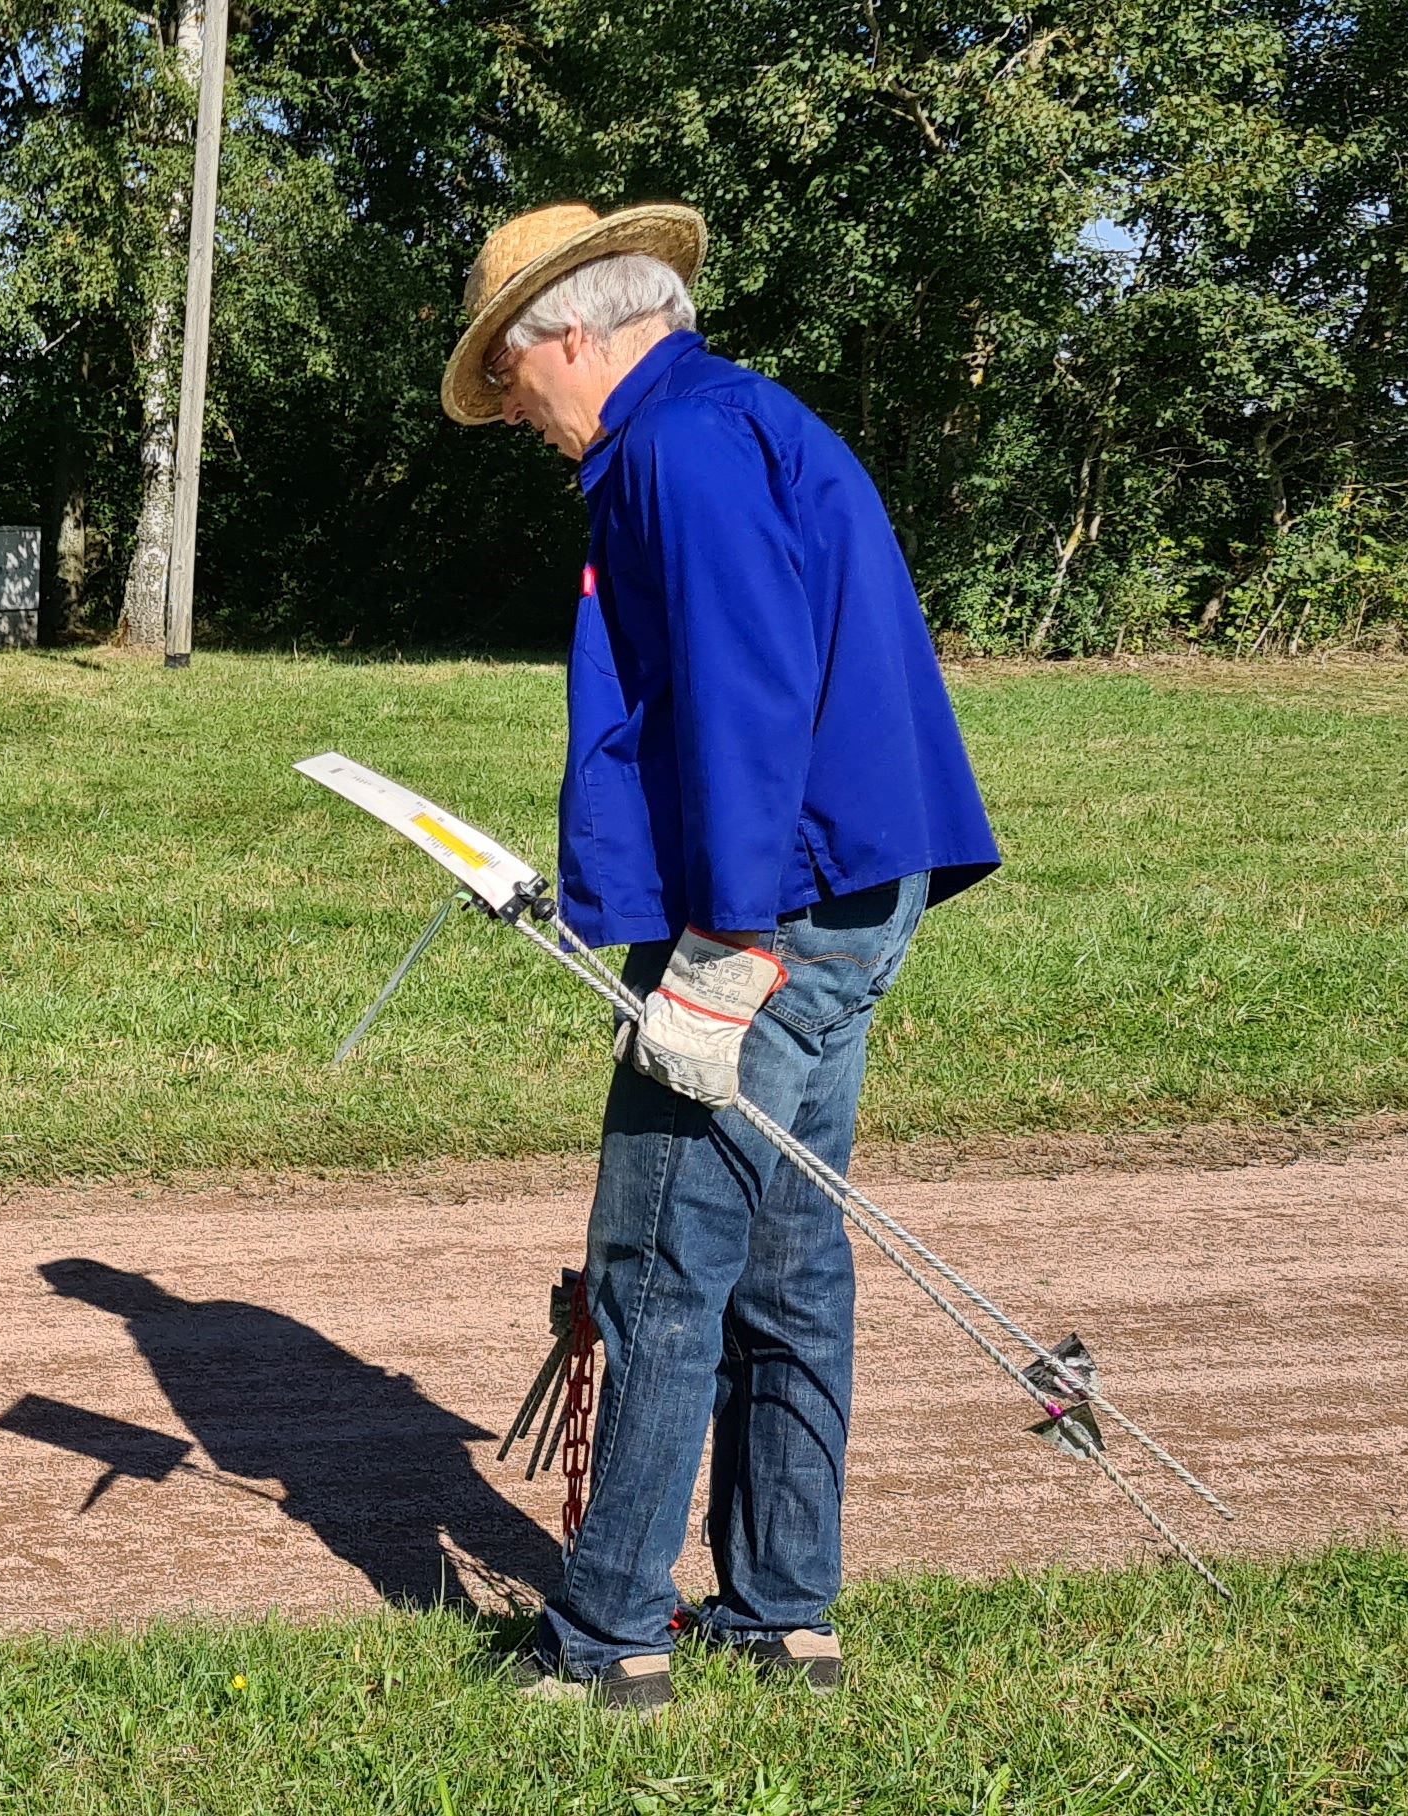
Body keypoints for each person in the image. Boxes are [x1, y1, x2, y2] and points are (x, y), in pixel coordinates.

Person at [442, 203, 1002, 1707]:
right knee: (788, 1255)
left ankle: (610, 1637)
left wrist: (724, 942)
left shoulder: (678, 452)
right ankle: (782, 1611)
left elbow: (752, 695)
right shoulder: (731, 423)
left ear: (567, 334)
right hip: (838, 893)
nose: (510, 410)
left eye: (505, 374)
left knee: (661, 1263)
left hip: (767, 914)